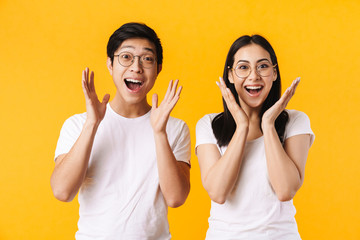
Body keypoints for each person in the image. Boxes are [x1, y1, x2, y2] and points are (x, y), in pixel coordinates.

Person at [51, 22, 191, 240]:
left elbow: (176, 198)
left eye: (147, 59)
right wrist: (92, 124)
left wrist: (159, 133)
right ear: (110, 64)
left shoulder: (175, 128)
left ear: (158, 68)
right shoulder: (78, 124)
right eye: (126, 57)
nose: (136, 67)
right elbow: (62, 191)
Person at [195, 35, 314, 239]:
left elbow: (285, 190)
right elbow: (218, 192)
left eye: (263, 66)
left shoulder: (295, 121)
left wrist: (268, 124)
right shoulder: (209, 124)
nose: (254, 76)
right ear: (230, 75)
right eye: (243, 67)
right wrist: (242, 126)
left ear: (274, 73)